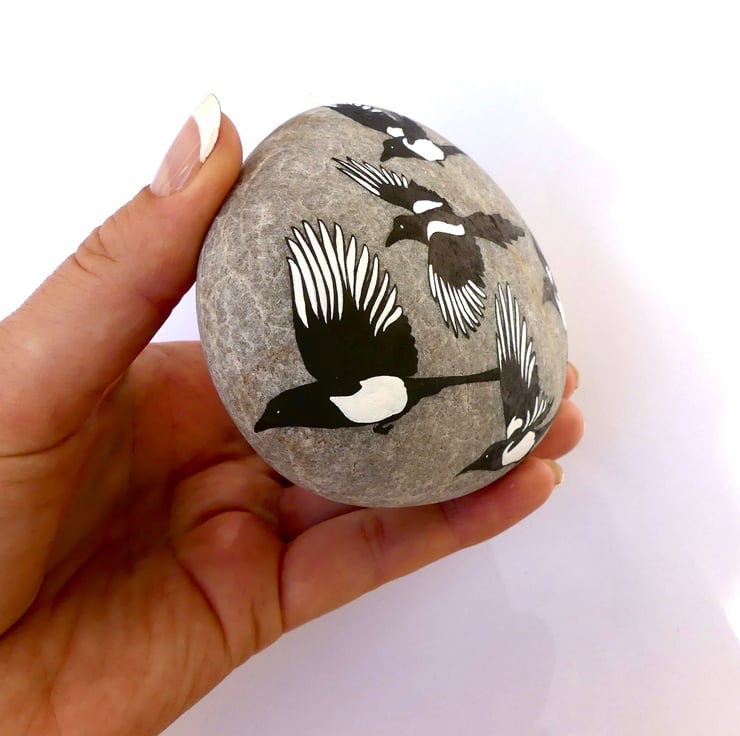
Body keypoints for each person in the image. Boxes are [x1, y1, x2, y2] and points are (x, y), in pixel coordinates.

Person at [0, 96, 584, 735]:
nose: (278, 415)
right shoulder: (334, 377)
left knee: (417, 374)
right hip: (400, 389)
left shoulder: (335, 364)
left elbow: (343, 280)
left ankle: (485, 383)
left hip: (401, 381)